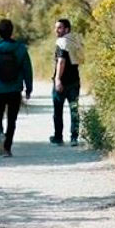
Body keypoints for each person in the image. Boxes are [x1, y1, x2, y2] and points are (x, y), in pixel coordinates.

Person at [0, 19, 33, 157]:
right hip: (14, 89)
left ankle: (0, 134)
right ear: (12, 31)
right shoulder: (21, 49)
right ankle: (7, 148)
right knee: (12, 120)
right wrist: (29, 88)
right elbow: (27, 69)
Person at [50, 18, 83, 146]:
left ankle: (58, 136)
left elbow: (61, 61)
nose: (56, 30)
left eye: (59, 28)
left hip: (62, 82)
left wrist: (58, 79)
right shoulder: (76, 40)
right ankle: (74, 137)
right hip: (75, 80)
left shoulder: (62, 42)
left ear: (67, 29)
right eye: (56, 27)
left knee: (58, 110)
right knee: (74, 109)